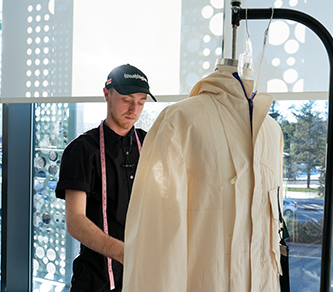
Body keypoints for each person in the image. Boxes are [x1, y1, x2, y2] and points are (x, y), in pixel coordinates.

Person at [123, 61, 283, 291]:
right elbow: (158, 241)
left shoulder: (272, 130)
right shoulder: (180, 120)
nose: (133, 108)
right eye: (127, 100)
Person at [56, 64, 156, 292]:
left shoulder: (149, 144)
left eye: (141, 102)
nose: (134, 109)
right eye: (127, 99)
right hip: (95, 279)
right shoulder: (82, 150)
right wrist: (121, 251)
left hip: (140, 276)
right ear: (106, 94)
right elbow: (75, 221)